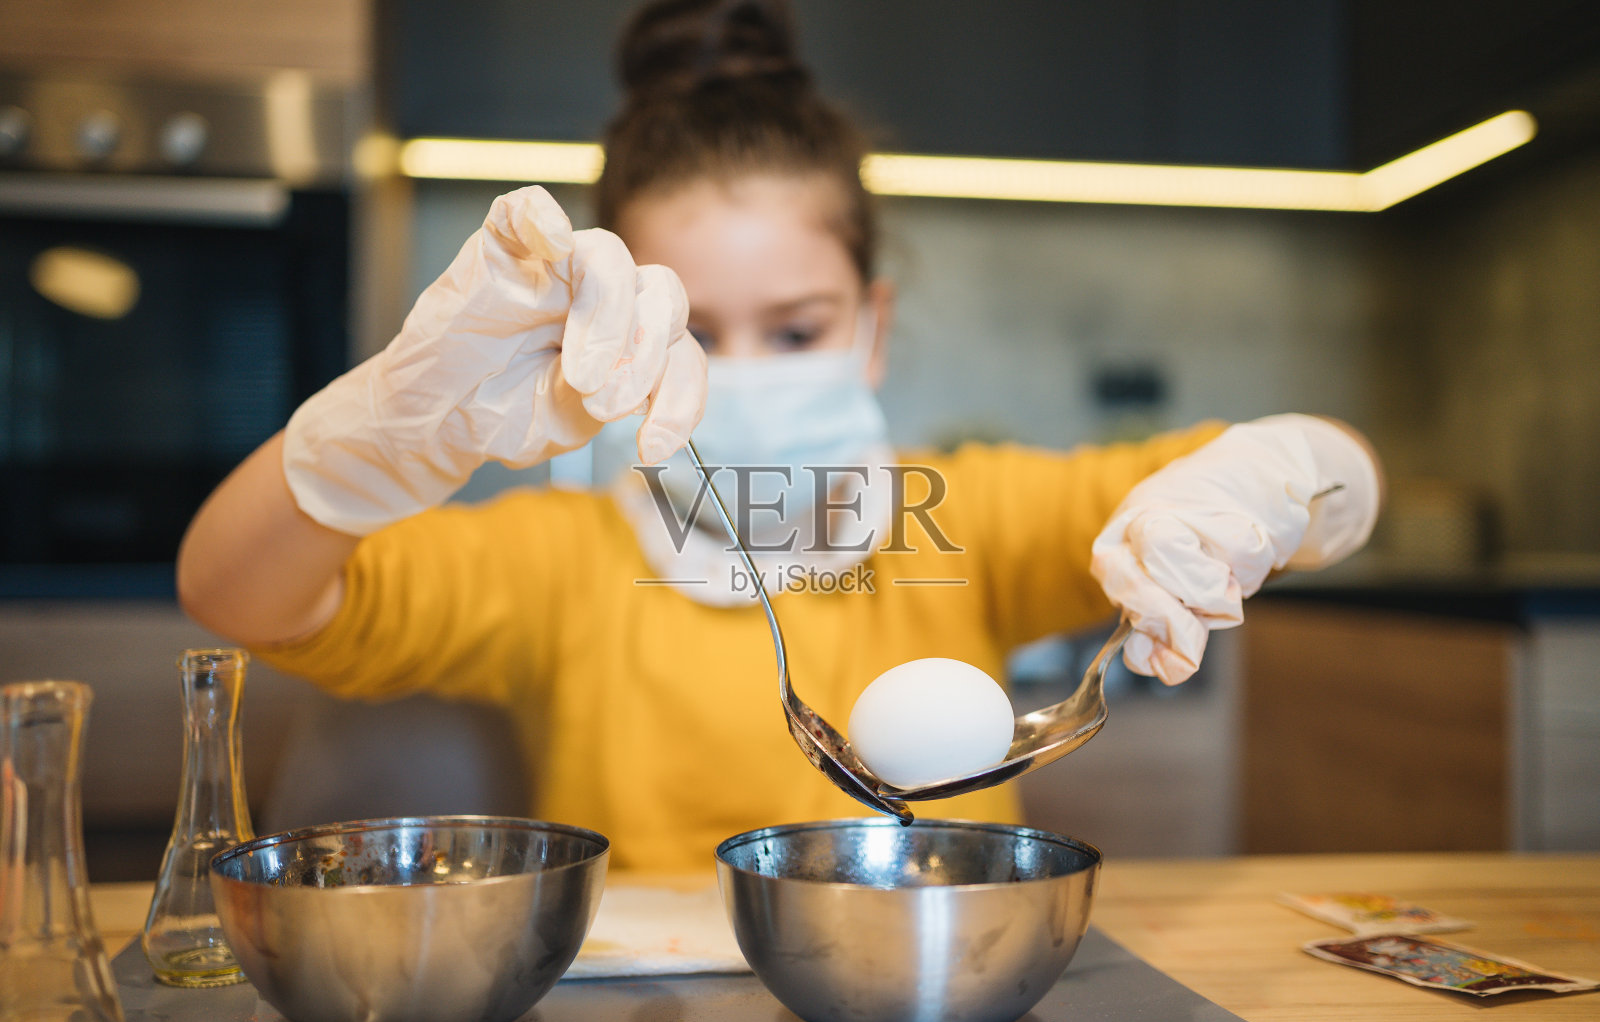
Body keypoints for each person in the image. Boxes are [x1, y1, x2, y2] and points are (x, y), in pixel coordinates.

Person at [176, 0, 1381, 872]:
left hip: (939, 997)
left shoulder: (968, 525)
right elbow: (235, 593)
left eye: (796, 327)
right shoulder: (553, 563)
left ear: (872, 326)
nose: (742, 376)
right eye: (690, 331)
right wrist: (373, 442)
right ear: (604, 347)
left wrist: (1270, 478)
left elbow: (1342, 480)